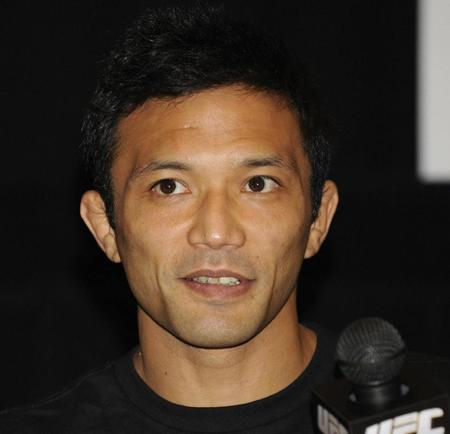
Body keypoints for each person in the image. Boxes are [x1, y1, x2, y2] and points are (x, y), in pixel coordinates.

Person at [0, 4, 341, 433]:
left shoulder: (414, 418)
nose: (216, 233)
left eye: (257, 184)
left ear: (317, 218)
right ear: (105, 227)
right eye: (169, 187)